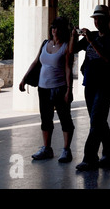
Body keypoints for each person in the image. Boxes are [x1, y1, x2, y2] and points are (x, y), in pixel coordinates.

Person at [19, 17, 75, 163]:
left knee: (65, 118)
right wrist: (24, 78)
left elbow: (68, 68)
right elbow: (36, 61)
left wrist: (69, 90)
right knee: (45, 119)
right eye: (53, 27)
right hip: (43, 88)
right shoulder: (45, 43)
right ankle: (46, 148)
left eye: (57, 28)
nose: (54, 30)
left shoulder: (66, 46)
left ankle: (66, 150)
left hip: (60, 88)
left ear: (63, 30)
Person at [71, 5, 110, 171]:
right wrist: (73, 36)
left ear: (107, 19)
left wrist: (92, 42)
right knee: (97, 120)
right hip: (90, 83)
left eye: (100, 18)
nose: (97, 21)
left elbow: (108, 59)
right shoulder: (90, 36)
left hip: (105, 85)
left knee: (97, 120)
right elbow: (72, 50)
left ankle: (89, 158)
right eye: (95, 19)